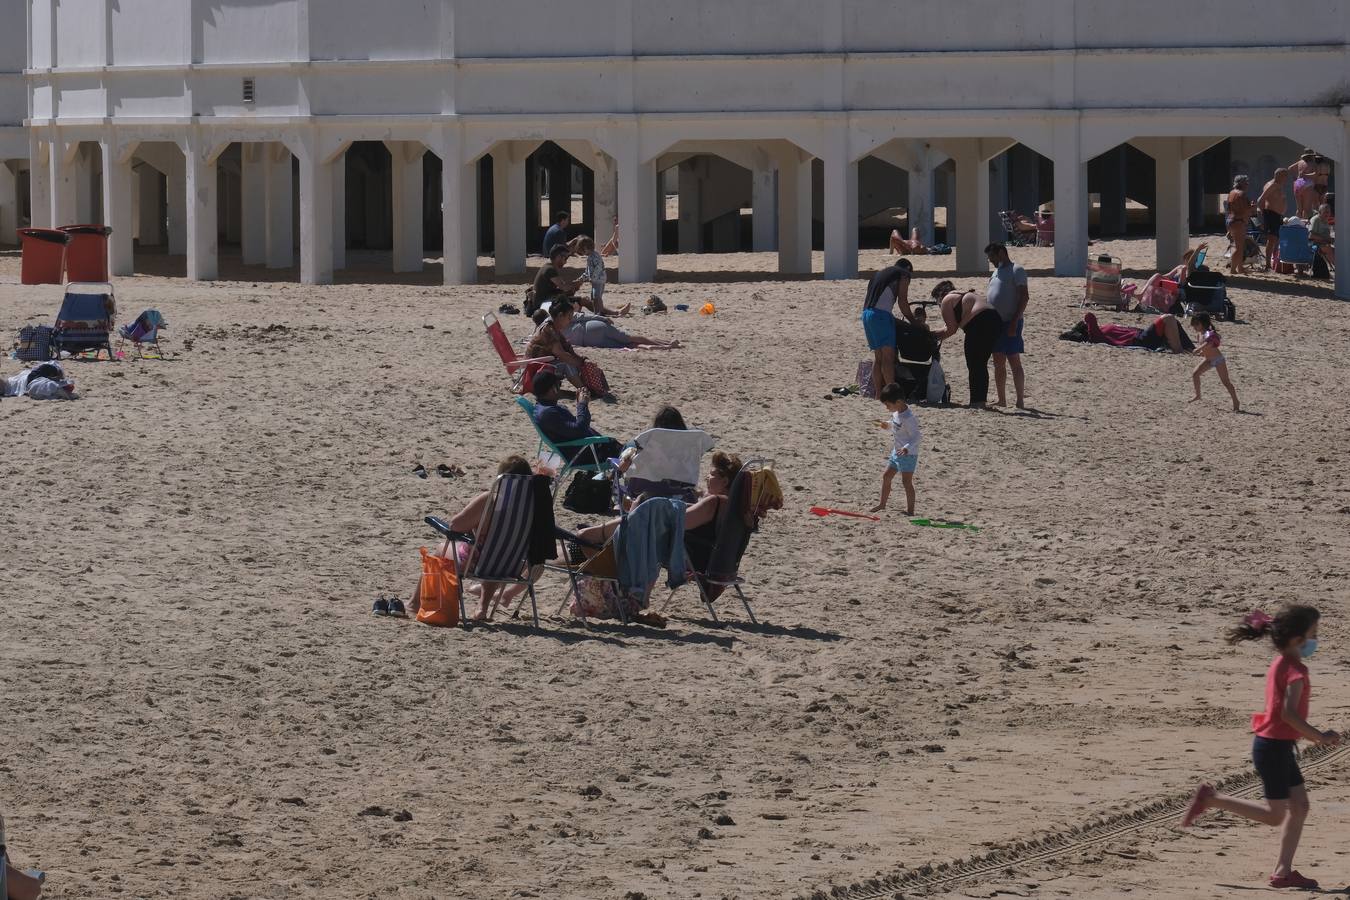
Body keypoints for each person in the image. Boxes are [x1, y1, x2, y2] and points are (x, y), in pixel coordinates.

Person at [1183, 606, 1339, 890]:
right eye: (1313, 634)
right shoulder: (1295, 671)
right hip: (1273, 749)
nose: (1315, 641)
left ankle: (1282, 872)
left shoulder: (1281, 663)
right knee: (1275, 815)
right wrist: (1320, 736)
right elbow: (1288, 715)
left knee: (1300, 806)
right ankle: (1211, 798)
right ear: (1295, 639)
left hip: (1278, 746)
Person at [410, 455, 535, 622]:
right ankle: (482, 608)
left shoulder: (491, 500)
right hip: (513, 565)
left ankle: (413, 604)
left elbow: (455, 526)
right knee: (493, 554)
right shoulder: (534, 506)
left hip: (478, 563)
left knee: (441, 548)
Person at [933, 281, 1002, 409]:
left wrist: (931, 335)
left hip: (979, 322)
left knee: (974, 364)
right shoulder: (963, 295)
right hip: (995, 319)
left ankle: (977, 402)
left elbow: (951, 329)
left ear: (940, 295)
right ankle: (980, 401)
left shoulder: (947, 299)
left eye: (937, 301)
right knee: (981, 364)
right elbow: (951, 326)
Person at [530, 371, 623, 463]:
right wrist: (582, 404)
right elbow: (580, 429)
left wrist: (578, 400)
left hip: (590, 448)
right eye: (559, 384)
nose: (560, 388)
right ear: (552, 390)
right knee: (633, 453)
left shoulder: (544, 407)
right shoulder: (548, 413)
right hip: (589, 454)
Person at [860, 259, 916, 398]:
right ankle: (892, 394)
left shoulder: (879, 275)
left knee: (878, 357)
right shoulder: (903, 274)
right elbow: (903, 302)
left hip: (867, 315)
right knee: (888, 357)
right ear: (907, 269)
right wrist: (913, 322)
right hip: (881, 316)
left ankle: (879, 394)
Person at [985, 242, 1029, 409]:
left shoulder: (1017, 270)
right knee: (998, 361)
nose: (991, 261)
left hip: (1011, 322)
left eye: (992, 257)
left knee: (1014, 360)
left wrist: (1014, 322)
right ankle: (1001, 399)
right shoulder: (996, 272)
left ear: (1002, 253)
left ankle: (1020, 400)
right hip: (995, 323)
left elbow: (1024, 297)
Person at [530, 306, 680, 351]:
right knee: (630, 338)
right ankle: (665, 343)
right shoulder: (558, 317)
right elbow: (581, 316)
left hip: (589, 340)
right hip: (592, 327)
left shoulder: (544, 332)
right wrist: (602, 318)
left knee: (628, 345)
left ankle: (664, 347)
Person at [871, 382, 920, 515]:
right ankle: (882, 504)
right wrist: (886, 425)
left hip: (908, 454)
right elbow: (895, 426)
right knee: (886, 476)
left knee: (906, 482)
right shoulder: (897, 413)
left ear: (898, 402)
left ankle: (910, 512)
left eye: (888, 405)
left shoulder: (909, 418)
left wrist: (906, 448)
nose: (887, 408)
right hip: (896, 452)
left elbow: (916, 437)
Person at [525, 301, 593, 391]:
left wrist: (581, 360)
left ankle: (585, 387)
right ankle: (583, 389)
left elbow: (567, 348)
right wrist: (580, 363)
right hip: (535, 368)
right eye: (569, 317)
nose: (570, 320)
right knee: (567, 364)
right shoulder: (549, 330)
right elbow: (561, 354)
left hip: (539, 363)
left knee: (573, 361)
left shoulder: (552, 326)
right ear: (560, 315)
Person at [1135, 243, 1208, 312]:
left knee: (1157, 278)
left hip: (1180, 289)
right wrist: (1156, 280)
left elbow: (1182, 283)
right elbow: (1167, 276)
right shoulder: (1179, 267)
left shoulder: (1192, 269)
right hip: (1171, 286)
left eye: (1190, 258)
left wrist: (1198, 250)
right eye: (1186, 257)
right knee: (1156, 279)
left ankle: (1143, 297)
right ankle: (1148, 302)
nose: (1187, 260)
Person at [1189, 312, 1239, 411]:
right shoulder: (1199, 335)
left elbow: (1209, 342)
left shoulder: (1209, 333)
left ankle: (1236, 401)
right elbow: (1206, 349)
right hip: (1208, 360)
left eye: (1197, 324)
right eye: (1193, 324)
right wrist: (1201, 353)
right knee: (1195, 374)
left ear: (1203, 324)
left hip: (1218, 360)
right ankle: (1198, 395)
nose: (1194, 326)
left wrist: (1199, 349)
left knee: (1226, 382)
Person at [575, 236, 629, 317]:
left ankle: (599, 313)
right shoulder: (591, 257)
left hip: (598, 280)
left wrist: (592, 277)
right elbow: (588, 271)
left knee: (597, 297)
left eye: (582, 250)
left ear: (586, 248)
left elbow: (597, 268)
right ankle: (599, 312)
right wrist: (581, 279)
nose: (582, 252)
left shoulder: (594, 256)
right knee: (594, 297)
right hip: (596, 280)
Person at [532, 244, 584, 313]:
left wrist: (573, 286)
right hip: (543, 303)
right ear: (558, 257)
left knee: (572, 295)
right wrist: (577, 283)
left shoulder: (548, 267)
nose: (566, 261)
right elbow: (564, 287)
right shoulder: (550, 269)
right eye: (565, 258)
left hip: (543, 301)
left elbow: (562, 287)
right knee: (584, 301)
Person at [1257, 169, 1289, 269]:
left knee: (1276, 240)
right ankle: (1267, 265)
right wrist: (1262, 216)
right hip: (1271, 215)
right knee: (1271, 240)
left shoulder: (1278, 185)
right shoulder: (1273, 185)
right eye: (1285, 176)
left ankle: (1274, 261)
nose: (1286, 179)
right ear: (1278, 175)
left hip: (1276, 215)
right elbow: (1260, 200)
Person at [1226, 175, 1253, 275]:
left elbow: (1229, 209)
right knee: (1238, 247)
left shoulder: (1231, 193)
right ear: (1241, 183)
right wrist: (1252, 207)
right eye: (1246, 182)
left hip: (1231, 220)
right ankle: (1233, 269)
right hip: (1238, 221)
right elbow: (1246, 209)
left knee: (1238, 246)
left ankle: (1240, 267)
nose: (1247, 184)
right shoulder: (1242, 194)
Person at [1290, 150, 1318, 219]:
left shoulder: (1300, 162)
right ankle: (1304, 227)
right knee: (1306, 209)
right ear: (1312, 156)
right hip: (1307, 182)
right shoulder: (1312, 163)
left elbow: (1290, 168)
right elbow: (1315, 174)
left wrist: (1295, 178)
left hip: (1298, 182)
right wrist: (1305, 175)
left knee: (1299, 209)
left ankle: (1298, 225)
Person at [1308, 203, 1335, 272]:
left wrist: (1330, 239)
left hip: (1323, 243)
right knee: (1328, 248)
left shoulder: (1325, 220)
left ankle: (1333, 268)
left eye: (1328, 212)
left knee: (1338, 250)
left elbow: (1326, 235)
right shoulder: (1315, 220)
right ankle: (1337, 268)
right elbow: (1311, 235)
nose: (1327, 214)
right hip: (1313, 244)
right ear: (1320, 212)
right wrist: (1325, 239)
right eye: (1325, 212)